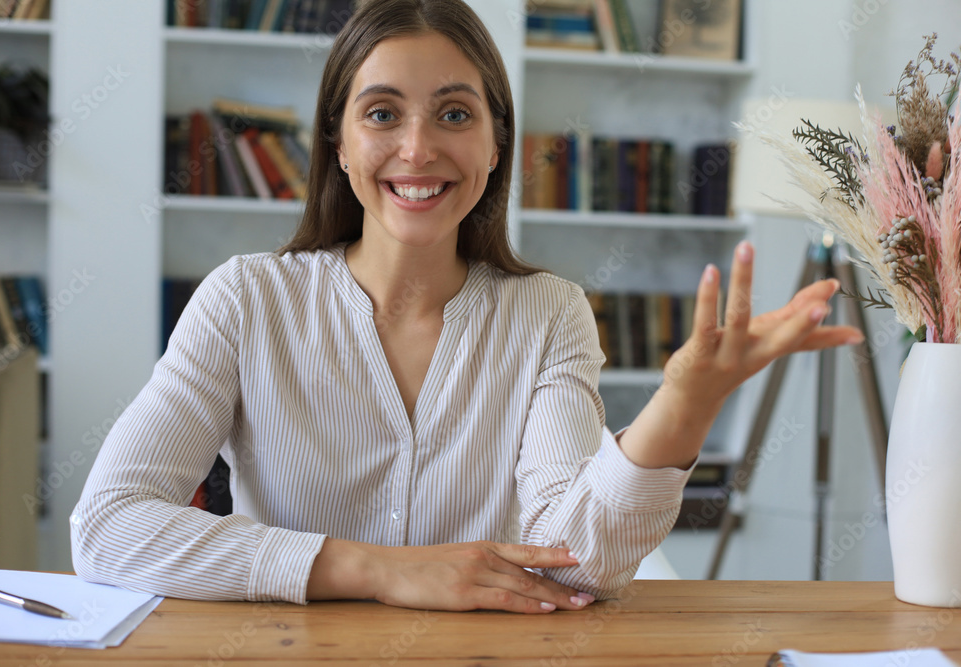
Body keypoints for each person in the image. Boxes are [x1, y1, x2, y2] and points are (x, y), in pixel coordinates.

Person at [69, 0, 863, 615]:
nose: (418, 149)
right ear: (339, 143)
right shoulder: (245, 300)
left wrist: (684, 405)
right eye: (382, 113)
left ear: (494, 145)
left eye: (454, 114)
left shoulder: (550, 312)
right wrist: (380, 570)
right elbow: (107, 526)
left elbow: (575, 561)